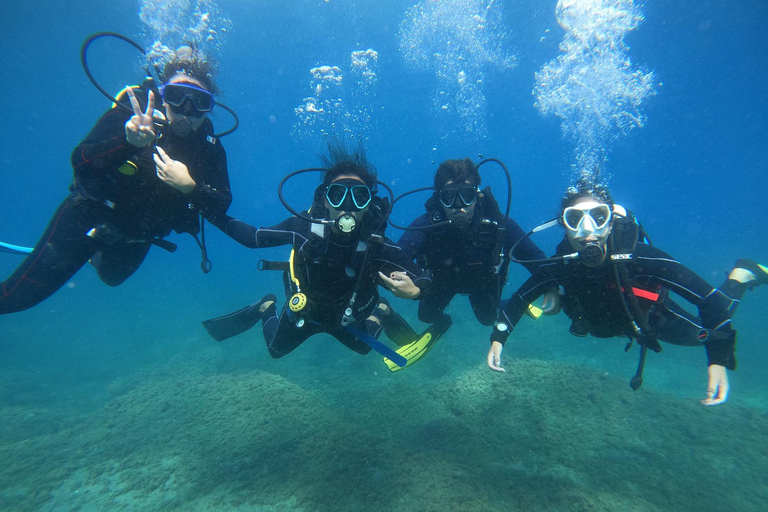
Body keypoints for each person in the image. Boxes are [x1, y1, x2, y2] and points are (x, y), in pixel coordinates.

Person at [0, 46, 231, 314]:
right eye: (177, 96)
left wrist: (189, 187)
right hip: (89, 218)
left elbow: (222, 202)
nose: (186, 110)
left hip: (138, 236)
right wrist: (128, 142)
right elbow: (81, 161)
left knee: (112, 279)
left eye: (199, 102)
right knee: (13, 299)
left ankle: (91, 255)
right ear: (163, 95)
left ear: (208, 107)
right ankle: (76, 249)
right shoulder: (134, 113)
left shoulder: (208, 146)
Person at [487, 186, 767, 406]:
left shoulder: (641, 258)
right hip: (608, 324)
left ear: (610, 222)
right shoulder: (562, 263)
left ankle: (740, 277)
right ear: (565, 225)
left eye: (598, 217)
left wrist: (717, 359)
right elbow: (520, 298)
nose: (587, 230)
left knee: (714, 323)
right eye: (574, 219)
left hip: (652, 318)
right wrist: (498, 339)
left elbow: (708, 300)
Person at [201, 145, 432, 363]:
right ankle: (266, 306)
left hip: (346, 316)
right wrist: (210, 213)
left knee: (363, 348)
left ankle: (381, 311)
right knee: (275, 349)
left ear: (369, 203)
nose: (347, 206)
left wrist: (416, 292)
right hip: (306, 310)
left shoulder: (377, 245)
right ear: (325, 198)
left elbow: (423, 277)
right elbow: (252, 238)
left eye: (359, 197)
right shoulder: (302, 228)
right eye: (338, 194)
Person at [391, 158, 558, 367]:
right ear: (439, 198)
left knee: (488, 319)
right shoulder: (427, 225)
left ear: (477, 194)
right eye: (449, 197)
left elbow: (533, 256)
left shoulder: (498, 224)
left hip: (482, 282)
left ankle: (510, 305)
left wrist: (550, 283)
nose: (458, 206)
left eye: (466, 195)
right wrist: (410, 280)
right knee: (426, 316)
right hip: (441, 282)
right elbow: (396, 258)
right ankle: (444, 322)